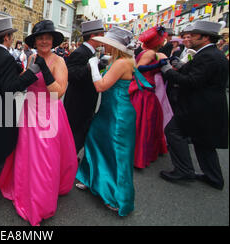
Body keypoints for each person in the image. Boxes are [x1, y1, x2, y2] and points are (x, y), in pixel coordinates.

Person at [0, 20, 78, 226]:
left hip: (49, 112)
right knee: (27, 155)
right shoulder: (32, 56)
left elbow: (58, 93)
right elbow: (25, 82)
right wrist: (16, 72)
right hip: (30, 110)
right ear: (35, 41)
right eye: (40, 38)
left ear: (52, 41)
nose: (43, 41)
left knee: (46, 158)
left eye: (47, 38)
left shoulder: (59, 61)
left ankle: (40, 201)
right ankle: (27, 190)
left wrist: (46, 71)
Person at [0, 16, 42, 219]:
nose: (12, 38)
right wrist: (32, 72)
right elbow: (10, 88)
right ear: (6, 37)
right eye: (11, 36)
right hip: (1, 113)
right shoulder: (4, 57)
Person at [76, 27, 140, 216]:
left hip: (118, 114)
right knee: (95, 141)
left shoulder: (122, 62)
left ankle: (117, 198)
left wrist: (94, 66)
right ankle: (91, 179)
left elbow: (101, 86)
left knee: (116, 153)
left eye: (108, 43)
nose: (103, 45)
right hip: (108, 111)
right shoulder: (118, 60)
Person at [159, 20, 229, 190]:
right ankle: (214, 178)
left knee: (173, 131)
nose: (187, 38)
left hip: (199, 107)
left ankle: (184, 170)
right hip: (207, 106)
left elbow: (191, 81)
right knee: (203, 142)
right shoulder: (210, 53)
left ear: (205, 37)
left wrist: (167, 70)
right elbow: (196, 72)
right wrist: (179, 65)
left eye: (193, 35)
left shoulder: (208, 56)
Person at [64, 19, 105, 162]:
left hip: (84, 101)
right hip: (78, 102)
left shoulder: (90, 51)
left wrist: (97, 66)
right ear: (93, 36)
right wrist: (89, 68)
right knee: (77, 133)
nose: (103, 37)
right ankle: (68, 161)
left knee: (80, 132)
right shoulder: (81, 52)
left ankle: (69, 158)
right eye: (101, 34)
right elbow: (71, 74)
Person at [129, 26, 169, 169]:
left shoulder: (150, 52)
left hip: (147, 89)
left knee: (147, 123)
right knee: (143, 123)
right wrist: (157, 65)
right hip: (144, 91)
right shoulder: (151, 53)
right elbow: (138, 69)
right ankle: (138, 155)